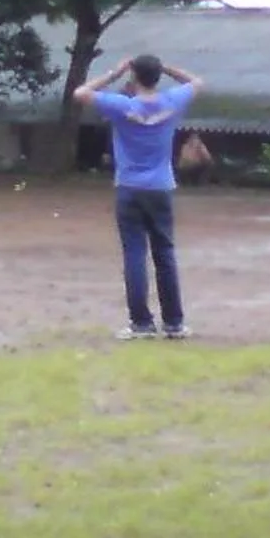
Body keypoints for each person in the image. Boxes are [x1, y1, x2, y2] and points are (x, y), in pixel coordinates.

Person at [70, 52, 200, 341]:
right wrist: (167, 67)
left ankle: (141, 323)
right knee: (165, 254)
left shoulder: (122, 105)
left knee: (134, 254)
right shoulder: (172, 101)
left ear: (134, 76)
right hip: (161, 187)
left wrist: (114, 74)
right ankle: (174, 323)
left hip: (129, 187)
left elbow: (80, 93)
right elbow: (196, 82)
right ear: (157, 76)